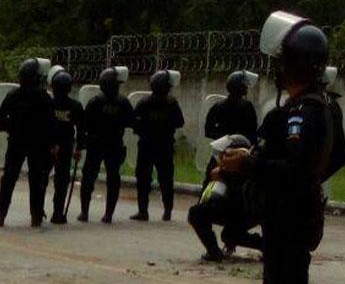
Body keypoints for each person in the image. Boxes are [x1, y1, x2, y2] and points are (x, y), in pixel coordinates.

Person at [223, 11, 345, 284]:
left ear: (296, 65)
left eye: (282, 63)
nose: (277, 70)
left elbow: (296, 167)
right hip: (287, 211)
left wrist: (251, 164)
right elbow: (336, 156)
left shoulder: (305, 112)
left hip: (293, 215)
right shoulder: (317, 105)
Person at [0, 59, 57, 228]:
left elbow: (0, 121)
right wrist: (52, 144)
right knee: (36, 179)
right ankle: (36, 217)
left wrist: (12, 128)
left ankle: (1, 215)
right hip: (38, 145)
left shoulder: (12, 95)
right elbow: (51, 124)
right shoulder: (44, 98)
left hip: (16, 142)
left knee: (9, 178)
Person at [187, 135, 262, 262]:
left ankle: (269, 247)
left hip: (247, 212)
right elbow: (206, 193)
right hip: (230, 209)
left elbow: (245, 198)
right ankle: (214, 252)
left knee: (230, 234)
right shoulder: (217, 169)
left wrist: (225, 176)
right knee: (196, 213)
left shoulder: (248, 168)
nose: (220, 157)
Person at [78, 67, 134, 224]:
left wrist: (81, 143)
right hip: (114, 144)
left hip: (96, 144)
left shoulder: (95, 102)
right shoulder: (123, 102)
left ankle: (84, 212)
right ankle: (108, 214)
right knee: (112, 179)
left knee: (89, 178)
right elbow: (131, 122)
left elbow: (84, 125)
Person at [131, 70, 185, 222]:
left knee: (143, 178)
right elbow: (180, 122)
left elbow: (134, 123)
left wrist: (146, 130)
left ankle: (143, 211)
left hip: (146, 145)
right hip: (164, 145)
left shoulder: (144, 102)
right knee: (166, 179)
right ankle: (167, 211)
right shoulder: (171, 103)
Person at [202, 70, 258, 187]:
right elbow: (253, 133)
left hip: (221, 151)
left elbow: (208, 130)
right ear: (241, 88)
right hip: (239, 153)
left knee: (209, 181)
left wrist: (223, 140)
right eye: (244, 86)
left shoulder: (218, 106)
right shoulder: (247, 107)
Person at [48, 67, 85, 224]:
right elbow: (82, 129)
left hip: (49, 146)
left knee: (42, 179)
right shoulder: (74, 105)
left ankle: (39, 211)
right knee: (61, 181)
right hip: (64, 147)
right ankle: (57, 213)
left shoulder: (48, 104)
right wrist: (78, 148)